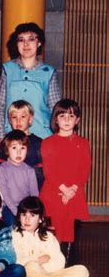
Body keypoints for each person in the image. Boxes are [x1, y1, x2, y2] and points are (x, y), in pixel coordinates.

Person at [39, 99, 91, 257]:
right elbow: (49, 170)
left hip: (75, 194)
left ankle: (70, 269)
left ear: (78, 120)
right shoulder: (48, 143)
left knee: (72, 238)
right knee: (50, 237)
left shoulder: (83, 143)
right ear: (56, 119)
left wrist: (72, 189)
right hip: (53, 194)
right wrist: (64, 189)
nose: (67, 119)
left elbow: (84, 169)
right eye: (62, 116)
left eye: (71, 116)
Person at [0, 22, 62, 140]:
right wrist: (1, 135)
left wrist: (55, 137)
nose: (26, 44)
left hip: (42, 136)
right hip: (11, 137)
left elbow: (55, 108)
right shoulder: (7, 69)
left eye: (31, 39)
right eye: (21, 40)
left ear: (39, 43)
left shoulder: (49, 72)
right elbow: (0, 105)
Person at [12, 197, 89, 277]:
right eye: (23, 215)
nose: (27, 219)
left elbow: (60, 261)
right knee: (31, 266)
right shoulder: (15, 235)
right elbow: (18, 261)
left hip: (51, 274)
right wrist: (37, 261)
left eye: (32, 215)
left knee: (82, 270)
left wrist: (45, 268)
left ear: (41, 219)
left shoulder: (48, 236)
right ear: (19, 217)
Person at [0, 100, 44, 189]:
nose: (18, 121)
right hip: (10, 189)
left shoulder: (39, 143)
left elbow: (42, 172)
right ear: (9, 120)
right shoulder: (4, 141)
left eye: (23, 117)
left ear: (30, 120)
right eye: (14, 117)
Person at [0, 130, 39, 226]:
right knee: (12, 225)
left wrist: (31, 212)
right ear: (7, 150)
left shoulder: (29, 170)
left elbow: (34, 195)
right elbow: (5, 196)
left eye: (22, 148)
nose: (19, 152)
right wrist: (17, 212)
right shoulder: (1, 170)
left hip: (27, 208)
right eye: (14, 148)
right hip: (9, 208)